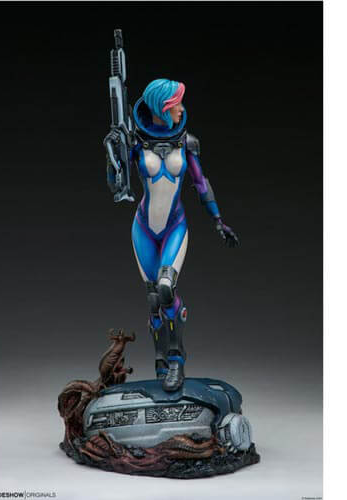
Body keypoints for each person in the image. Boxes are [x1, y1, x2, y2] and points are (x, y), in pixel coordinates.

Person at [107, 78, 239, 391]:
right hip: (143, 229)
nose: (181, 109)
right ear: (161, 108)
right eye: (175, 104)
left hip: (174, 227)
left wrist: (218, 220)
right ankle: (160, 360)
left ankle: (176, 359)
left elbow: (201, 183)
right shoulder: (136, 144)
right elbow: (116, 183)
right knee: (154, 298)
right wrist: (113, 151)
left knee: (167, 289)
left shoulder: (186, 142)